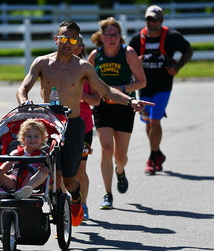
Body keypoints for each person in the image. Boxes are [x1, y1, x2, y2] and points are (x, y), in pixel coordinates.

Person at [16, 21, 154, 227]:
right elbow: (23, 88)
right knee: (54, 174)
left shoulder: (82, 67)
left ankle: (76, 201)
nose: (67, 43)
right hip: (49, 124)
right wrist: (24, 102)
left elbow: (106, 91)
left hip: (72, 124)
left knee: (71, 179)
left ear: (77, 44)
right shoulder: (42, 63)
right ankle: (58, 215)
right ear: (57, 39)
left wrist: (130, 100)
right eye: (64, 38)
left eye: (72, 40)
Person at [88, 17, 147, 209]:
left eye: (115, 34)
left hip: (124, 105)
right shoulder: (95, 56)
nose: (112, 38)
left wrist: (120, 88)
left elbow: (141, 81)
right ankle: (108, 194)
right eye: (108, 35)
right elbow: (86, 81)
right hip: (102, 107)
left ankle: (120, 171)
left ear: (120, 37)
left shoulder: (128, 53)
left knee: (120, 157)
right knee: (106, 149)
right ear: (101, 37)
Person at [129, 5, 193, 175]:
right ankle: (157, 154)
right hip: (143, 86)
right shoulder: (137, 39)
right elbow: (126, 59)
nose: (152, 23)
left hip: (163, 86)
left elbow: (188, 50)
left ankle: (151, 158)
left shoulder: (171, 36)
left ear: (162, 20)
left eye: (155, 20)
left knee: (155, 120)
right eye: (149, 19)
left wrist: (177, 67)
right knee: (148, 121)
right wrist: (136, 62)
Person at [0, 119, 49, 200]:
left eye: (36, 136)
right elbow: (6, 165)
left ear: (42, 139)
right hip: (12, 181)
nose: (33, 139)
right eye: (29, 136)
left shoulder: (43, 155)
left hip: (30, 183)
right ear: (23, 139)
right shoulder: (16, 152)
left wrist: (44, 167)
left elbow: (44, 166)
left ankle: (24, 191)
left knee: (45, 171)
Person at [74, 34, 100, 219]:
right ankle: (66, 203)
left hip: (84, 125)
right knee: (60, 169)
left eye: (76, 43)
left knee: (80, 170)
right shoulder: (55, 67)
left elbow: (97, 99)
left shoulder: (86, 69)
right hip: (61, 125)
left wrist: (82, 98)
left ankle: (83, 204)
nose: (72, 46)